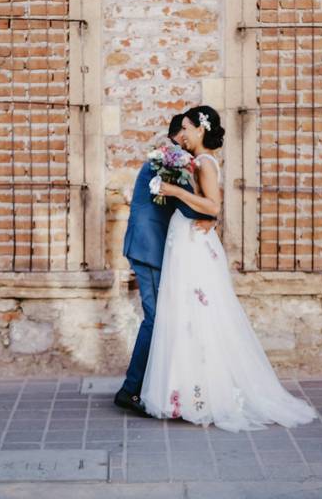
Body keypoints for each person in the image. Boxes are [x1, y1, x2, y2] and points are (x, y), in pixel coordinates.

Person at [140, 106, 318, 432]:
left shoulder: (205, 163)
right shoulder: (198, 162)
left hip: (193, 242)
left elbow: (213, 205)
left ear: (200, 130)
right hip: (186, 238)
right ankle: (185, 392)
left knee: (198, 311)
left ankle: (202, 395)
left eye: (186, 129)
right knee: (185, 311)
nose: (182, 135)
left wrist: (174, 190)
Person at [114, 113, 216, 417]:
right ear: (177, 135)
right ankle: (130, 389)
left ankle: (149, 385)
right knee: (156, 317)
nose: (185, 138)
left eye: (188, 131)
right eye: (183, 132)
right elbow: (186, 206)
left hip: (152, 247)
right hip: (149, 248)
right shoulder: (170, 160)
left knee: (161, 317)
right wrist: (210, 215)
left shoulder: (169, 159)